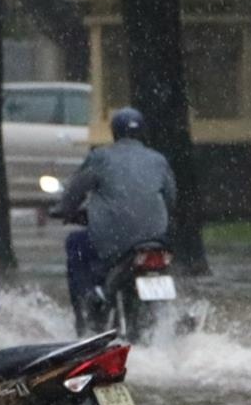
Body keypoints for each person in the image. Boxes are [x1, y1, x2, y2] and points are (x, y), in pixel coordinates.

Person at [52, 106, 177, 334]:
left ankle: (87, 312)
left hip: (115, 243)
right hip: (156, 241)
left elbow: (74, 193)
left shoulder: (100, 157)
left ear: (114, 132)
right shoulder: (158, 160)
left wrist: (62, 209)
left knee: (75, 244)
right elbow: (170, 198)